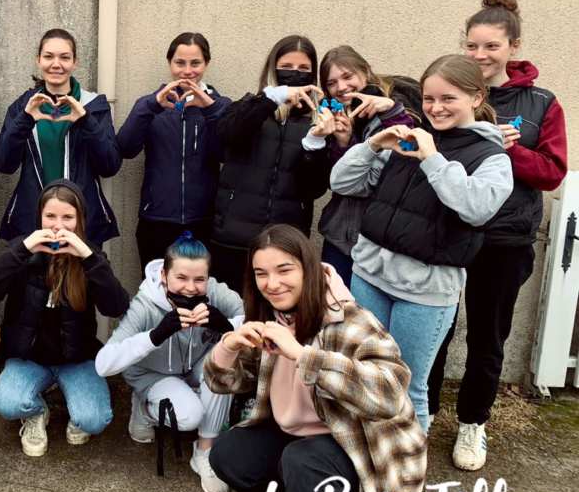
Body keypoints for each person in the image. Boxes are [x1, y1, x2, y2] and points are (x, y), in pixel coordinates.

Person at [205, 224, 426, 492]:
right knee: (228, 453)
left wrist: (302, 355)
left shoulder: (348, 320)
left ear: (308, 269)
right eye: (261, 273)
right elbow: (225, 382)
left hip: (360, 447)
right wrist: (229, 346)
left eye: (284, 270)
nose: (272, 284)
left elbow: (390, 393)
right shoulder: (269, 318)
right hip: (299, 437)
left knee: (304, 459)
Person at [330, 54, 514, 433]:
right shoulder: (408, 138)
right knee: (365, 374)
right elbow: (342, 182)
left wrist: (432, 157)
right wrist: (372, 145)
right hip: (370, 278)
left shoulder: (492, 157)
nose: (436, 107)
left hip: (424, 294)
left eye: (448, 98)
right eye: (429, 98)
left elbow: (475, 209)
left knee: (408, 386)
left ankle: (405, 466)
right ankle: (361, 455)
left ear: (477, 98)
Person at [427, 0, 569, 470]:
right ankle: (424, 412)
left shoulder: (541, 103)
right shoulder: (449, 89)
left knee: (487, 338)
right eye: (472, 45)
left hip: (504, 239)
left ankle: (473, 423)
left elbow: (553, 172)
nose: (480, 54)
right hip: (447, 231)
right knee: (435, 329)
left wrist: (511, 149)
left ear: (514, 46)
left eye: (491, 46)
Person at [0, 180, 130, 456]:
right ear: (39, 217)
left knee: (94, 420)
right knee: (8, 404)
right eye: (50, 216)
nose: (58, 226)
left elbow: (116, 307)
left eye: (67, 217)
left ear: (79, 220)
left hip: (77, 360)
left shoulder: (90, 254)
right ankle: (36, 412)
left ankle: (75, 405)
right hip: (28, 359)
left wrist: (88, 258)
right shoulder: (21, 250)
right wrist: (22, 251)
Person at [96, 233, 243, 492]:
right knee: (190, 416)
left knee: (228, 360)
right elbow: (103, 364)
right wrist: (154, 336)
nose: (191, 288)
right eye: (181, 278)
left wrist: (227, 326)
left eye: (199, 279)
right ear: (164, 275)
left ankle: (204, 454)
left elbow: (255, 322)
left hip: (194, 366)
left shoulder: (215, 291)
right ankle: (144, 408)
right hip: (153, 374)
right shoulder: (145, 305)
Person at [211, 34, 330, 290]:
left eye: (304, 69)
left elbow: (314, 189)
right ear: (273, 69)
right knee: (228, 310)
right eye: (286, 67)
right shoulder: (247, 105)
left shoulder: (317, 120)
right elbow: (229, 137)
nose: (295, 74)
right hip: (232, 238)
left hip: (286, 243)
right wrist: (270, 99)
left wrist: (315, 143)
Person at [116, 32, 232, 276]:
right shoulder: (151, 105)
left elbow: (225, 154)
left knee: (200, 291)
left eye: (195, 63)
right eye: (180, 63)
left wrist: (210, 111)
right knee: (156, 290)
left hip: (205, 222)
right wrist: (150, 107)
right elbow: (125, 148)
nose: (187, 71)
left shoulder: (221, 105)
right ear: (169, 63)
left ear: (207, 64)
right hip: (156, 221)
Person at [0, 29, 121, 247]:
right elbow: (4, 164)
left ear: (75, 62)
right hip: (32, 221)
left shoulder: (94, 106)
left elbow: (110, 165)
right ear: (38, 60)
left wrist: (85, 120)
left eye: (64, 57)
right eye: (48, 56)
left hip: (81, 223)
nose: (56, 64)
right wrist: (25, 119)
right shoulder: (22, 107)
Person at [314, 46, 424, 286]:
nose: (341, 87)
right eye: (332, 83)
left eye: (348, 76)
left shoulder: (400, 106)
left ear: (365, 72)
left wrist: (392, 114)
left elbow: (409, 156)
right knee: (334, 304)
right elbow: (341, 182)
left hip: (381, 241)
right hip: (339, 238)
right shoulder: (332, 116)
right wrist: (344, 142)